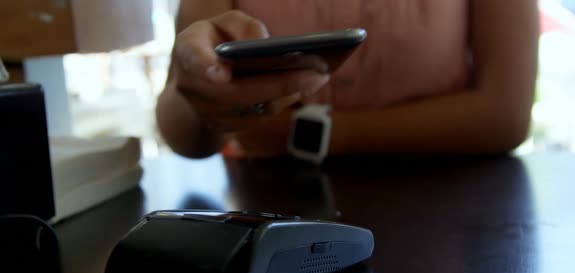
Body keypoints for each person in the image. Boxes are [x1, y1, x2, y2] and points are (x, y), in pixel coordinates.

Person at [156, 0, 539, 159]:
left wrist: (308, 134)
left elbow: (506, 114)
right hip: (270, 223)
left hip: (453, 217)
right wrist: (204, 92)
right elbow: (181, 131)